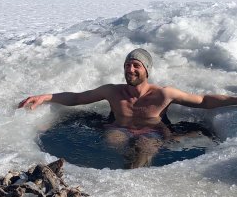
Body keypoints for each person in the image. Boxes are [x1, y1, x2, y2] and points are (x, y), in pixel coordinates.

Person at [19, 48, 237, 168]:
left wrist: (235, 99)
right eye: (127, 65)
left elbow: (204, 101)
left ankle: (137, 178)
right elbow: (78, 98)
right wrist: (46, 96)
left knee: (145, 147)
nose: (130, 69)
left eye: (136, 65)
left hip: (153, 131)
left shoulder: (164, 94)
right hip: (118, 129)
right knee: (114, 141)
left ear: (146, 70)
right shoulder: (113, 91)